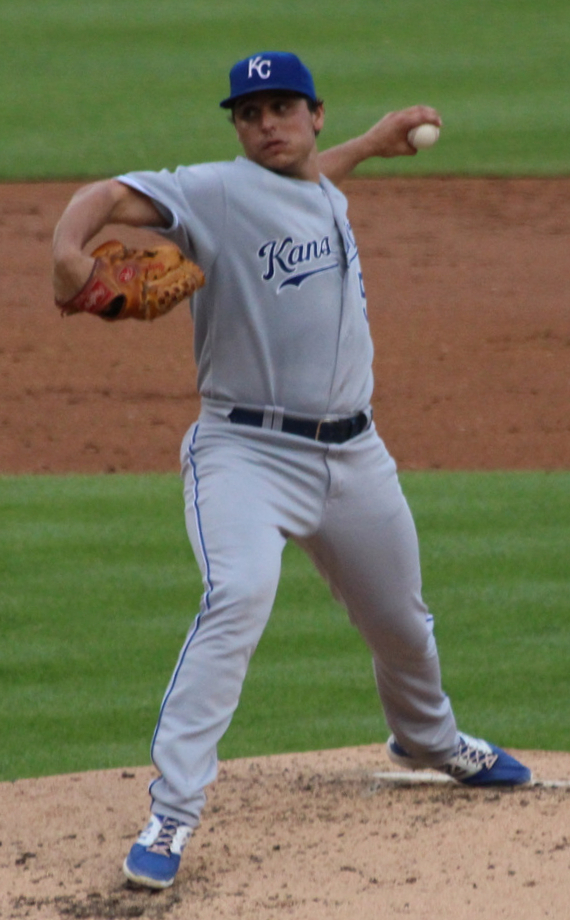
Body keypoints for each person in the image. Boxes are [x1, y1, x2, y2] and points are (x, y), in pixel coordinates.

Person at [52, 51, 531, 891]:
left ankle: (428, 740)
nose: (265, 123)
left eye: (282, 108)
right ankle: (172, 812)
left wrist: (373, 145)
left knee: (403, 625)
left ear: (314, 115)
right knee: (236, 596)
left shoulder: (319, 187)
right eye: (248, 112)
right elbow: (109, 197)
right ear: (235, 128)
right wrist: (66, 248)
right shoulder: (214, 191)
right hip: (246, 453)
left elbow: (311, 181)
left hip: (355, 456)